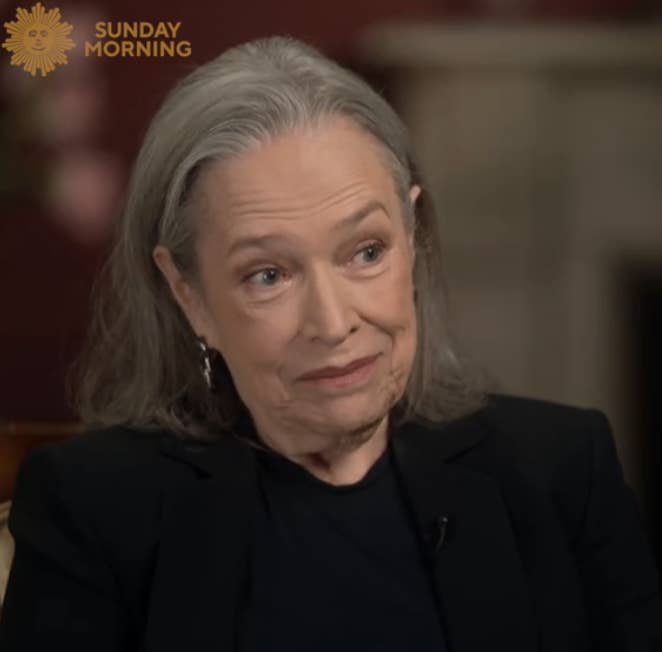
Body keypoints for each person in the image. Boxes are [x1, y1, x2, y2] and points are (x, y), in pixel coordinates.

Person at [0, 35, 660, 652]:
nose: (333, 321)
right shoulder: (90, 508)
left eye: (365, 252)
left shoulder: (565, 472)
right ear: (189, 295)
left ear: (414, 241)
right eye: (268, 274)